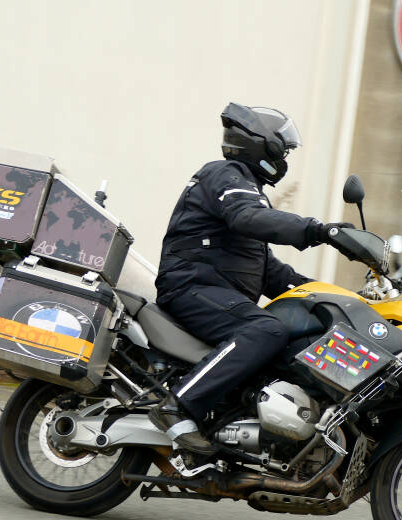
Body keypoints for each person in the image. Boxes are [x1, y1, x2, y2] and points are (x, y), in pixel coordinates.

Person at [148, 102, 353, 454]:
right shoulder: (226, 175)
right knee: (266, 329)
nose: (285, 159)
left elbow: (271, 272)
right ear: (263, 146)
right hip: (190, 287)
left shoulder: (249, 193)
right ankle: (177, 406)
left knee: (286, 337)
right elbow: (247, 218)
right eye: (283, 151)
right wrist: (319, 230)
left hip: (215, 291)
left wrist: (338, 299)